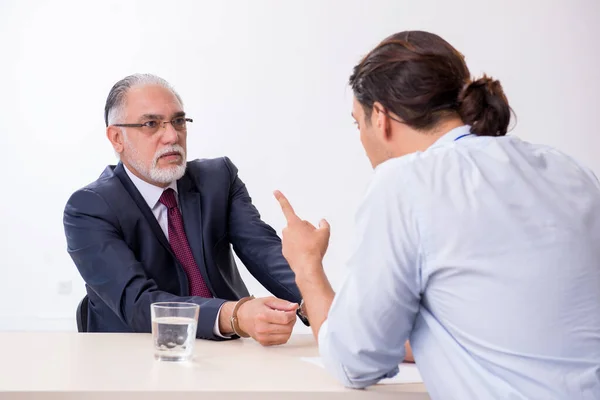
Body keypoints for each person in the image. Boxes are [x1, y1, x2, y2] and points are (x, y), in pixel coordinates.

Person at [273, 31, 600, 399]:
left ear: (380, 117)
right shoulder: (568, 170)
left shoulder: (404, 183)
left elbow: (355, 361)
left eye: (357, 123)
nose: (361, 137)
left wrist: (306, 265)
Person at [64, 74, 308, 345]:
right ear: (117, 137)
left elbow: (263, 252)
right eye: (151, 124)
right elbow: (138, 303)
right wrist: (235, 315)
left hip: (226, 350)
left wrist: (314, 297)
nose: (171, 136)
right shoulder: (89, 208)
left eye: (178, 121)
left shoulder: (218, 178)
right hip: (134, 355)